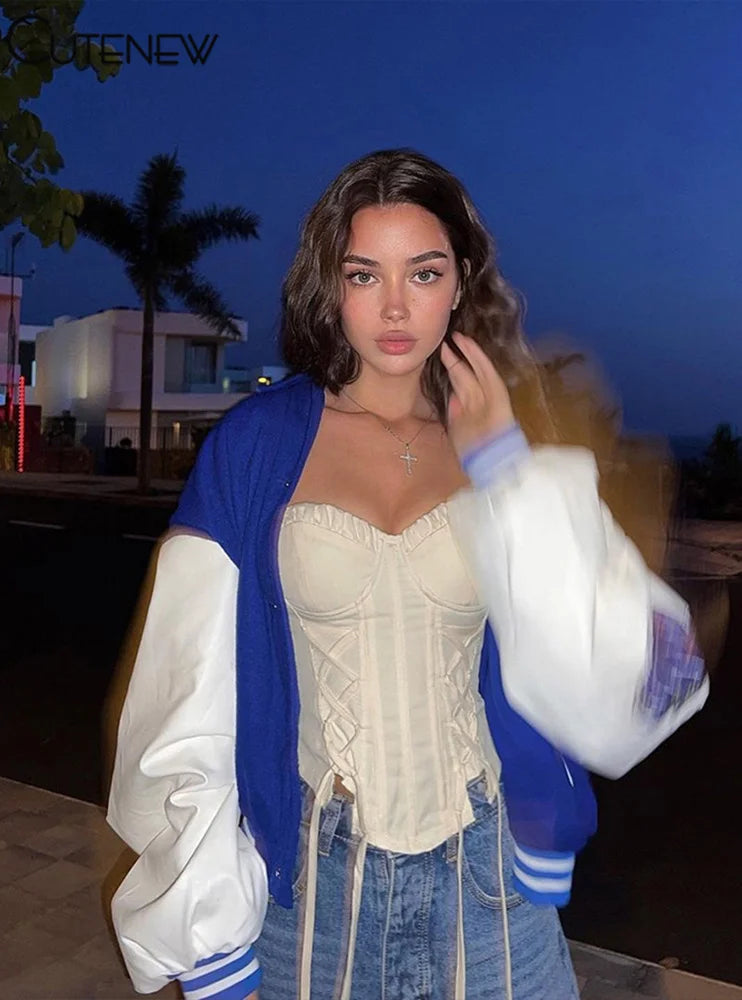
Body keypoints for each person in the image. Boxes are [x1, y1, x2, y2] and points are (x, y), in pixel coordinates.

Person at [106, 149, 708, 1000]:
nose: (395, 306)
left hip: (490, 890)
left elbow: (617, 666)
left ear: (459, 283)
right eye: (365, 274)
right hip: (310, 896)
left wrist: (507, 467)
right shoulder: (256, 447)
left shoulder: (498, 438)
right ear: (332, 284)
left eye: (423, 273)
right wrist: (204, 928)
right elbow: (183, 696)